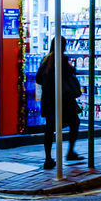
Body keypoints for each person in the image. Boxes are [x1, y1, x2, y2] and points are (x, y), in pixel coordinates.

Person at [35, 36, 82, 170]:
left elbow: (38, 79)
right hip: (63, 99)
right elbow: (69, 74)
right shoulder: (62, 59)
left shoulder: (45, 59)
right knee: (75, 122)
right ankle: (71, 152)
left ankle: (48, 158)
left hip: (49, 100)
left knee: (50, 129)